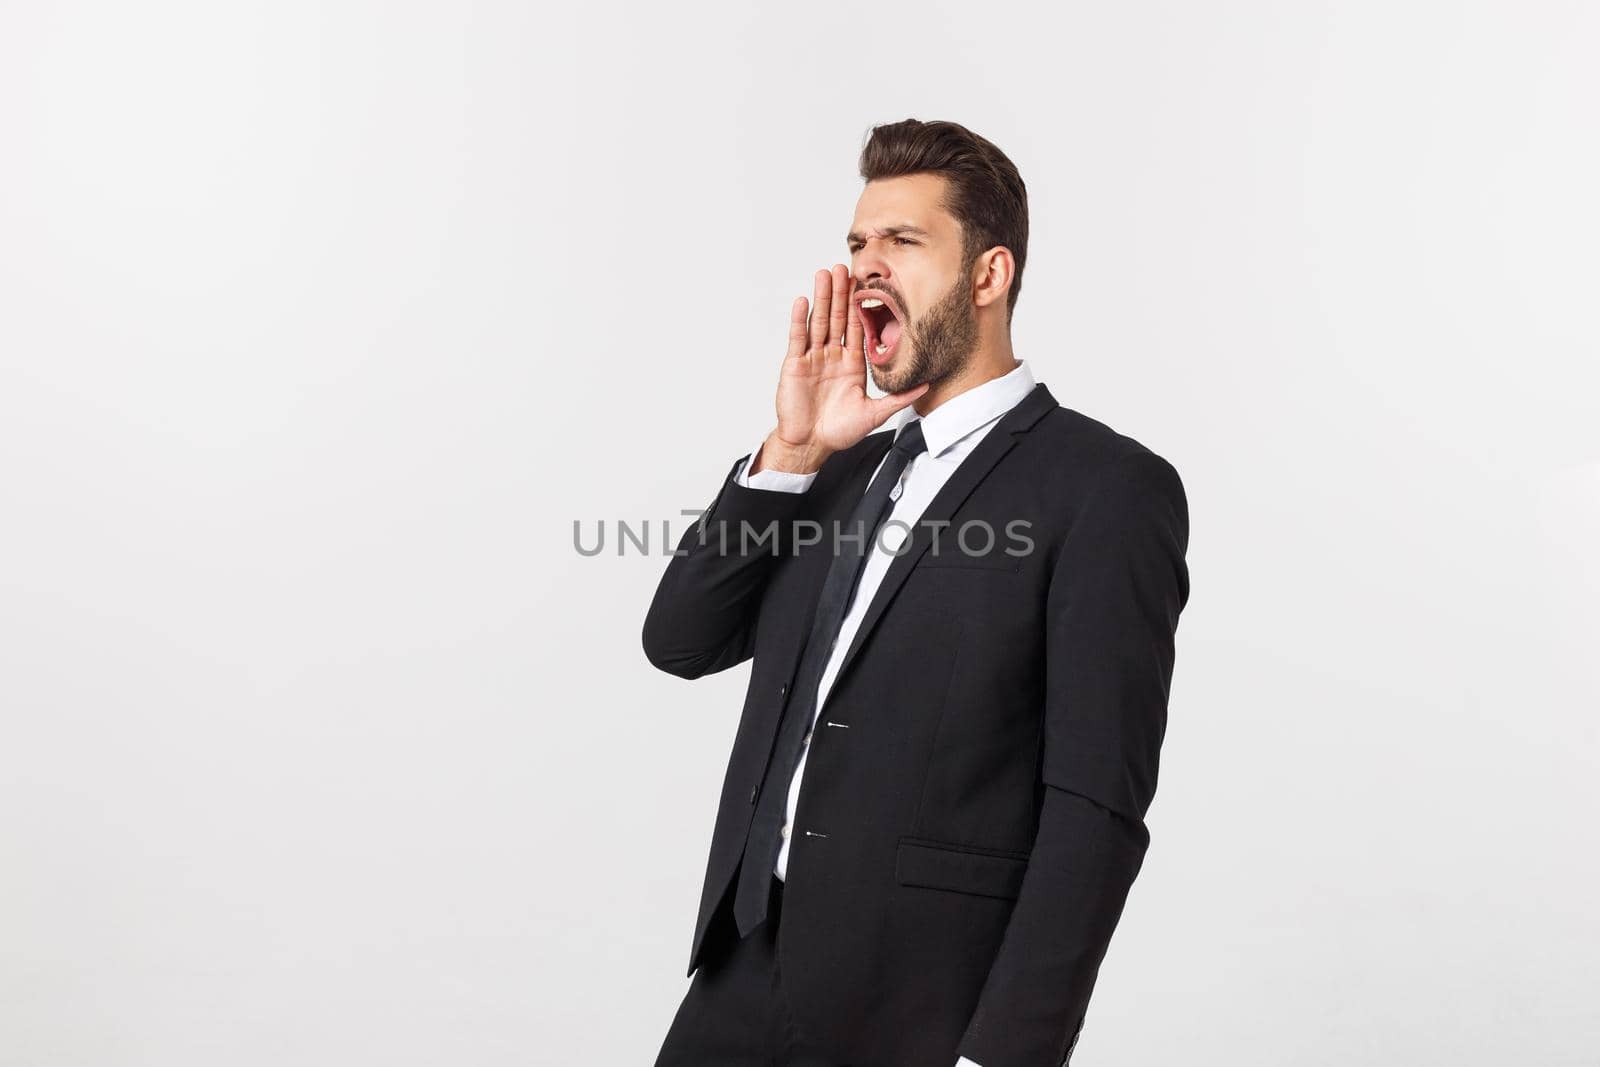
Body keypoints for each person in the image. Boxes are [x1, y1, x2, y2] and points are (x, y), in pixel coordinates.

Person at [645, 118, 1191, 1067]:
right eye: (857, 242)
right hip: (740, 979)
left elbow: (1095, 803)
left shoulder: (1106, 489)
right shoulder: (839, 466)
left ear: (989, 276)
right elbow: (682, 638)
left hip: (921, 1016)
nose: (866, 264)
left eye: (902, 241)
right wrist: (791, 453)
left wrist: (1006, 1051)